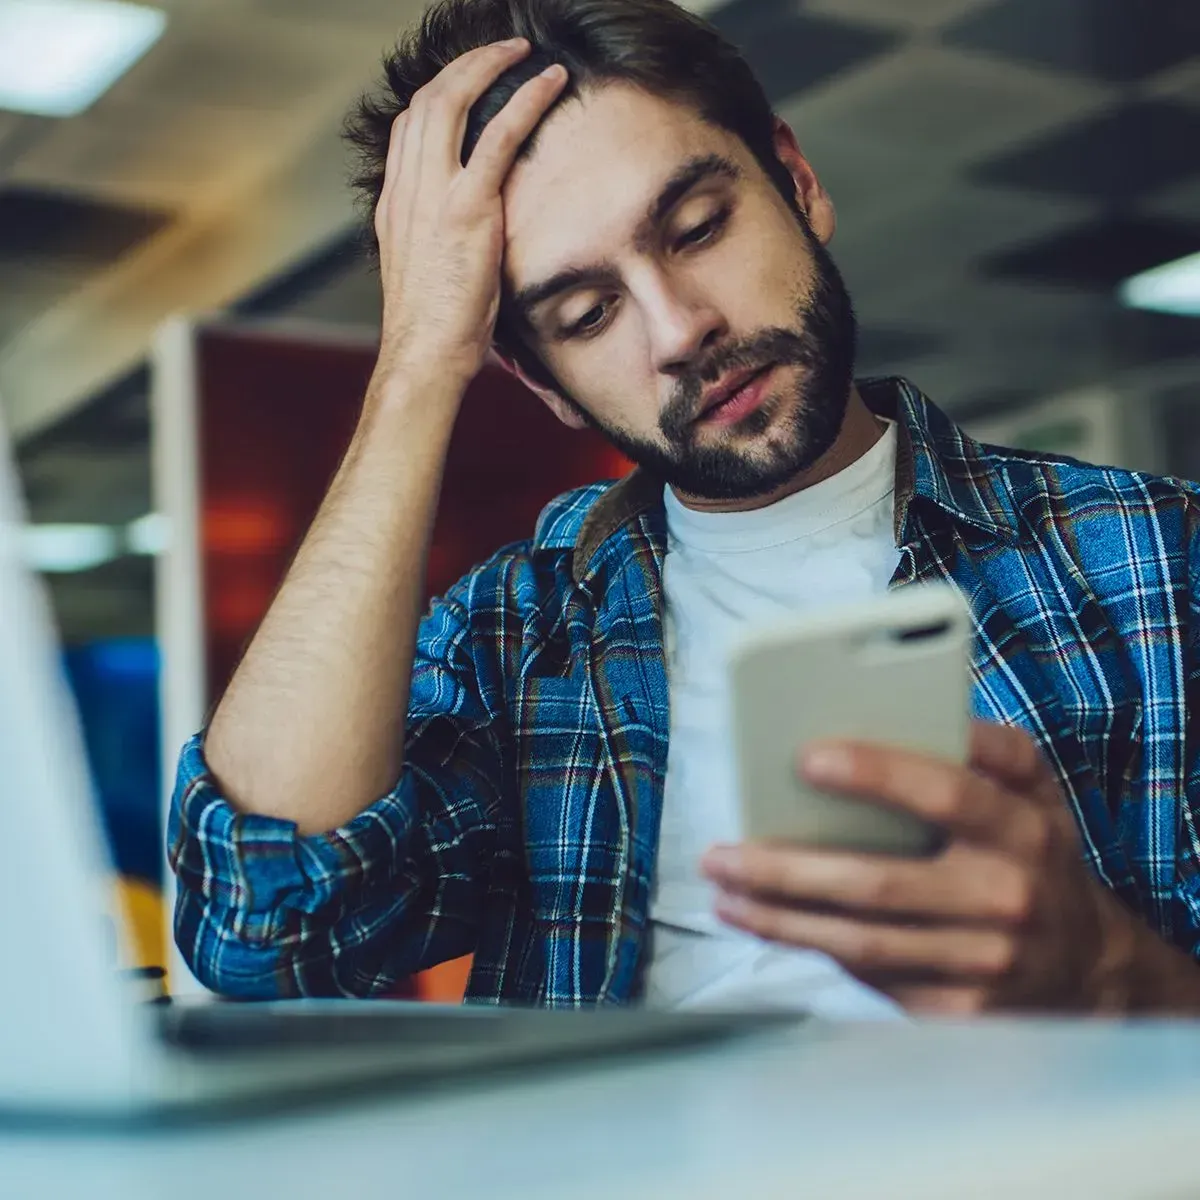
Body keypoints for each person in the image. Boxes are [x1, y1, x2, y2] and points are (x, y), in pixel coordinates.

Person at [169, 0, 1200, 1016]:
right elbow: (262, 931)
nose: (679, 328)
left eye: (697, 227)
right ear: (547, 384)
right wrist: (417, 366)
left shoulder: (1158, 556)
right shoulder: (518, 637)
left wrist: (1111, 975)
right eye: (586, 313)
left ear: (796, 182)